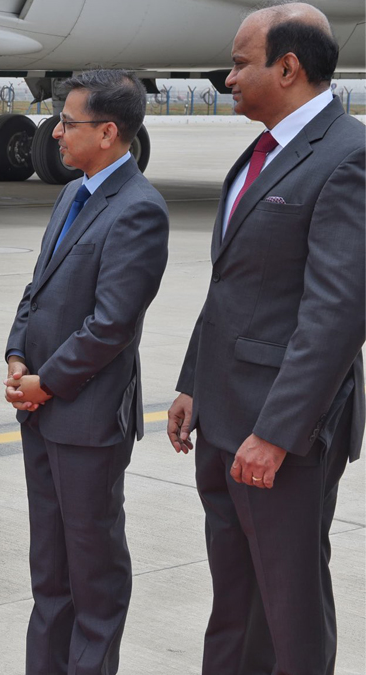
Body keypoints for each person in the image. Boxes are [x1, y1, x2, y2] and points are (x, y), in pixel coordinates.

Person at [166, 4, 364, 673]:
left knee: (290, 602)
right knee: (235, 597)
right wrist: (194, 379)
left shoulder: (347, 157)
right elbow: (235, 284)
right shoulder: (264, 149)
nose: (228, 79)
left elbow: (336, 314)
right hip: (224, 414)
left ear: (288, 67)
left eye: (240, 63)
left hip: (282, 431)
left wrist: (278, 431)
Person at [4, 70, 169, 675]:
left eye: (68, 122)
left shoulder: (138, 210)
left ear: (108, 132)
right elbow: (38, 290)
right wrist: (18, 354)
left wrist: (45, 383)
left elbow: (111, 325)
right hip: (43, 409)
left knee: (92, 573)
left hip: (86, 417)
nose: (55, 131)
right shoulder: (72, 193)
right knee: (49, 570)